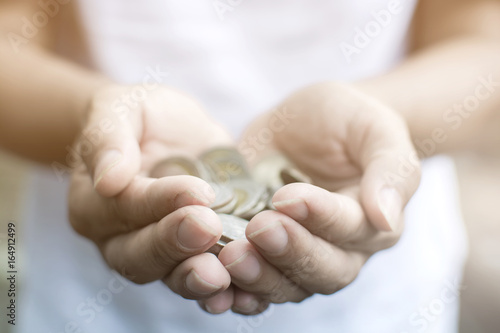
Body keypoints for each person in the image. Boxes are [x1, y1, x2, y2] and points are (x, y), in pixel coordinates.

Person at [0, 0, 499, 332]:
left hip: (385, 301)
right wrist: (92, 123)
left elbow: (484, 43)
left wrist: (384, 121)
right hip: (90, 302)